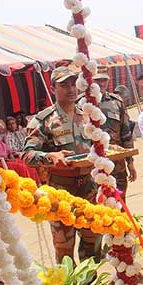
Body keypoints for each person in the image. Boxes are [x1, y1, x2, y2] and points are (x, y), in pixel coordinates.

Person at [22, 66, 100, 263]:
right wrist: (51, 156)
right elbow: (26, 155)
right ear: (53, 88)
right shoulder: (44, 120)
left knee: (93, 245)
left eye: (73, 83)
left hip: (89, 190)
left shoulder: (87, 117)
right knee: (64, 250)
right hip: (60, 194)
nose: (71, 89)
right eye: (64, 84)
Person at [93, 66, 136, 194]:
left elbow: (126, 133)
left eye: (104, 80)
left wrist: (130, 162)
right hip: (93, 168)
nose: (101, 83)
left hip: (117, 166)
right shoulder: (82, 104)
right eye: (98, 80)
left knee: (120, 202)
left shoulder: (116, 102)